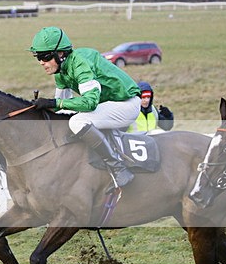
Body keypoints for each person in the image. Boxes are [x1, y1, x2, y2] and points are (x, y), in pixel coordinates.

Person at [28, 26, 141, 190]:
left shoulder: (80, 63)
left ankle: (118, 168)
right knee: (67, 117)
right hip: (108, 105)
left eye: (45, 57)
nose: (41, 62)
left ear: (60, 54)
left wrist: (54, 103)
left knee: (77, 122)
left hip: (126, 104)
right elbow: (61, 105)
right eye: (38, 57)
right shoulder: (60, 71)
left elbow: (89, 103)